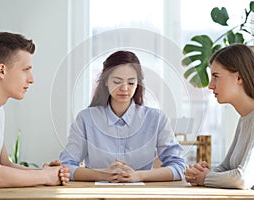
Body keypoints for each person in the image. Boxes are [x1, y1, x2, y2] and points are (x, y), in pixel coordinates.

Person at [60, 50, 187, 182]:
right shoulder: (86, 119)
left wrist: (139, 176)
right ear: (105, 81)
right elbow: (65, 167)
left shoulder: (156, 119)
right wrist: (104, 175)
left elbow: (179, 167)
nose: (124, 88)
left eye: (131, 83)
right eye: (117, 81)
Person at [0, 32, 70, 192]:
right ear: (2, 71)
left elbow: (4, 164)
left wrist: (46, 173)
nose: (31, 79)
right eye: (25, 69)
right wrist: (46, 177)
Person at [184, 44, 254, 197]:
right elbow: (225, 167)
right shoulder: (245, 118)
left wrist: (205, 177)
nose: (210, 85)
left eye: (216, 76)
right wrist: (200, 173)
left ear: (239, 77)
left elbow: (243, 178)